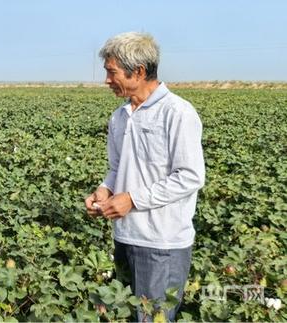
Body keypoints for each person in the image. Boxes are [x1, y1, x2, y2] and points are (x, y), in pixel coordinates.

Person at [84, 32, 205, 321]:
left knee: (152, 318)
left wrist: (133, 200)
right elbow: (117, 168)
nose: (107, 81)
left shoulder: (177, 113)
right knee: (126, 314)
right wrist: (105, 191)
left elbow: (190, 176)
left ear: (137, 72)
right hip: (125, 237)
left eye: (111, 72)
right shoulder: (119, 116)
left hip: (161, 243)